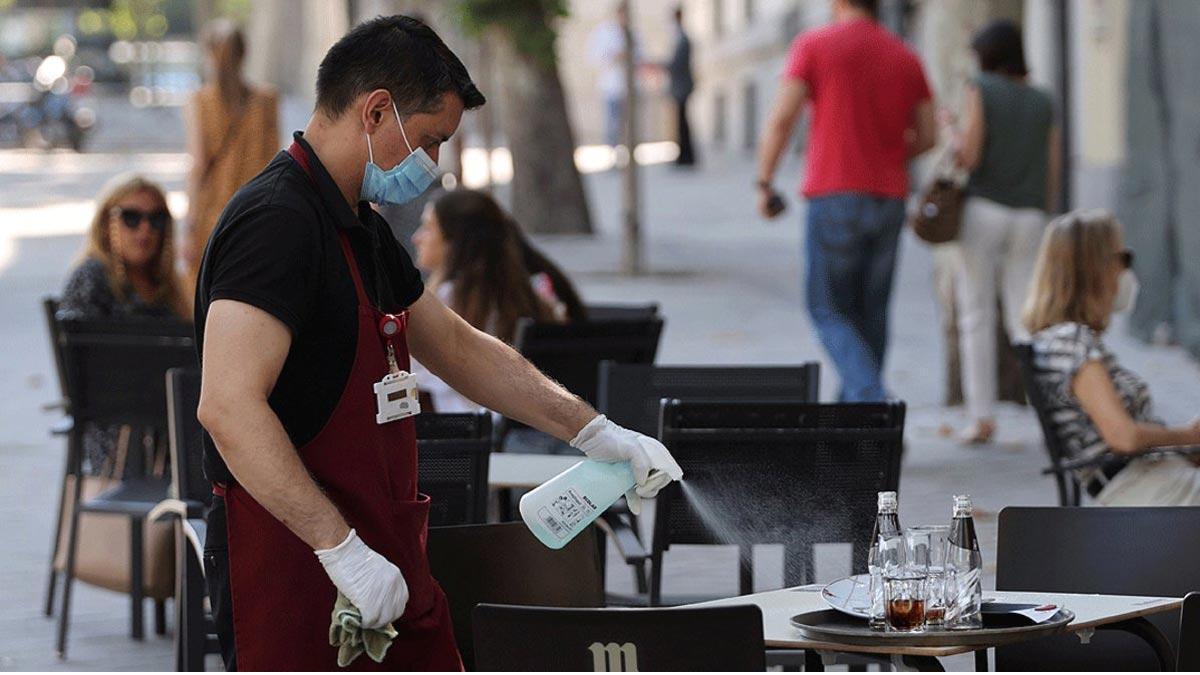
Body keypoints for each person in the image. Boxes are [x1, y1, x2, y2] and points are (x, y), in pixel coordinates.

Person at [193, 16, 681, 671]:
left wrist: (594, 431)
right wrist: (339, 549)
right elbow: (227, 406)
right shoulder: (275, 222)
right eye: (430, 139)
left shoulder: (361, 224)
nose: (435, 164)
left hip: (382, 547)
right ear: (375, 112)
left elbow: (456, 345)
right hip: (293, 563)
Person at [755, 0, 937, 401]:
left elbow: (783, 117)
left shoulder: (815, 45)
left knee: (828, 307)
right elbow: (929, 134)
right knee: (871, 313)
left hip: (834, 192)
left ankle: (871, 400)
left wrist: (765, 181)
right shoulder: (905, 54)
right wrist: (888, 155)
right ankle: (861, 429)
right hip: (888, 197)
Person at [1026, 210, 1200, 506]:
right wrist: (1188, 435)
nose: (1127, 272)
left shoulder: (1062, 341)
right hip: (1143, 487)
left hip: (1152, 479)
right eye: (1124, 258)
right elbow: (1124, 438)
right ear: (1094, 268)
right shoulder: (1071, 343)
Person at [950, 20, 1059, 444]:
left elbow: (971, 156)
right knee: (1026, 317)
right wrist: (1042, 209)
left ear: (987, 57)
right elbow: (1052, 166)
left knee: (976, 313)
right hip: (1031, 215)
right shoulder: (1043, 99)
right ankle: (1049, 414)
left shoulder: (981, 87)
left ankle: (982, 418)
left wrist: (952, 132)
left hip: (985, 211)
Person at [58, 174, 188, 474]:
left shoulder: (168, 288)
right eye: (131, 217)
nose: (145, 229)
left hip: (169, 422)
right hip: (122, 435)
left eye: (156, 219)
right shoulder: (91, 279)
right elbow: (84, 379)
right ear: (107, 223)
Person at [410, 189, 573, 412]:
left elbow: (412, 374)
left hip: (464, 431)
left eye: (428, 228)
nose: (416, 237)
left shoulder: (447, 301)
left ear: (453, 241)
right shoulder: (529, 295)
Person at [182, 19, 279, 290]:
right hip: (257, 216)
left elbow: (199, 165)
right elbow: (275, 162)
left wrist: (189, 226)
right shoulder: (267, 100)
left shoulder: (200, 101)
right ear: (244, 53)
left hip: (211, 216)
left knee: (206, 294)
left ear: (209, 54)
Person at [589, 3, 637, 148]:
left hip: (630, 87)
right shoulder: (605, 32)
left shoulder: (632, 33)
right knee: (613, 123)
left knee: (628, 123)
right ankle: (613, 150)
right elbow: (595, 56)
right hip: (611, 86)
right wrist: (615, 56)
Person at [665, 5, 695, 166]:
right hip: (680, 86)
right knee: (681, 122)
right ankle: (683, 156)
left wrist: (660, 66)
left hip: (682, 87)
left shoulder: (683, 38)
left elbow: (676, 64)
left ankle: (686, 157)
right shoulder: (680, 37)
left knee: (682, 123)